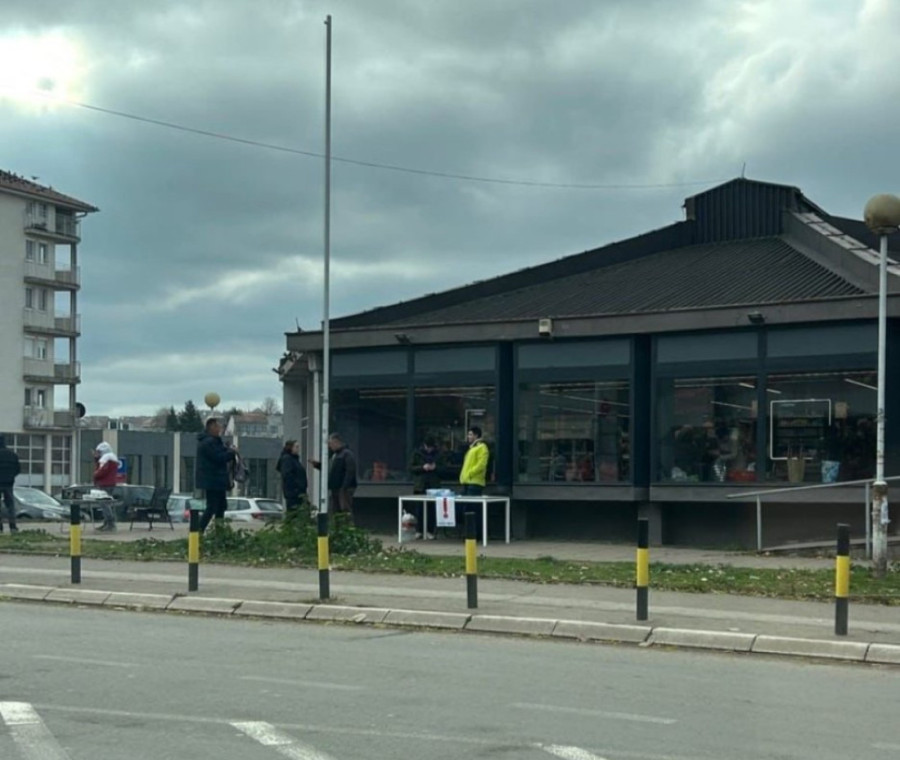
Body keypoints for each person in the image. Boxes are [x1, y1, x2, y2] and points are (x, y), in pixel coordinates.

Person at [196, 418, 236, 532]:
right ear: (212, 428)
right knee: (212, 507)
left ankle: (219, 531)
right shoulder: (208, 443)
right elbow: (218, 457)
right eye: (218, 427)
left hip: (217, 479)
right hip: (213, 480)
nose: (220, 429)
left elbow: (221, 452)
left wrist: (227, 449)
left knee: (221, 506)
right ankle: (199, 531)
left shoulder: (215, 441)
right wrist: (231, 453)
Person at [311, 433, 357, 519]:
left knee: (344, 509)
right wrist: (318, 465)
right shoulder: (335, 455)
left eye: (330, 443)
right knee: (335, 510)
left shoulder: (346, 454)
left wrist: (344, 486)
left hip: (343, 488)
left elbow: (350, 471)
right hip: (335, 487)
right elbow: (330, 469)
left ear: (336, 442)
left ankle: (347, 525)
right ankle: (338, 525)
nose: (329, 446)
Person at [409, 436, 447, 539]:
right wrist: (422, 467)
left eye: (431, 448)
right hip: (420, 485)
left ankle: (430, 531)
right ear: (424, 445)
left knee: (431, 509)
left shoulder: (439, 454)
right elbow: (411, 468)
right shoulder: (417, 453)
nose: (429, 449)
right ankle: (419, 530)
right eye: (428, 447)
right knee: (419, 509)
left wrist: (436, 467)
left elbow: (445, 469)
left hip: (433, 485)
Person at [92, 442, 120, 531]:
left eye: (99, 452)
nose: (98, 454)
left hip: (105, 484)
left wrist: (95, 474)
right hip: (109, 483)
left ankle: (110, 523)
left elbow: (101, 471)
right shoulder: (111, 459)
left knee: (104, 504)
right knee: (106, 503)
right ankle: (107, 523)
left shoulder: (106, 459)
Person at [277, 439, 308, 513]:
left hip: (298, 492)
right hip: (294, 494)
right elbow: (287, 475)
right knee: (294, 512)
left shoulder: (294, 459)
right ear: (290, 448)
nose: (298, 449)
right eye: (296, 447)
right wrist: (296, 488)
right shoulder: (287, 459)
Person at [0, 435, 20, 533]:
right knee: (10, 505)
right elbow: (18, 469)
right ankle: (13, 527)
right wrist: (11, 476)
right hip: (9, 483)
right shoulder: (12, 455)